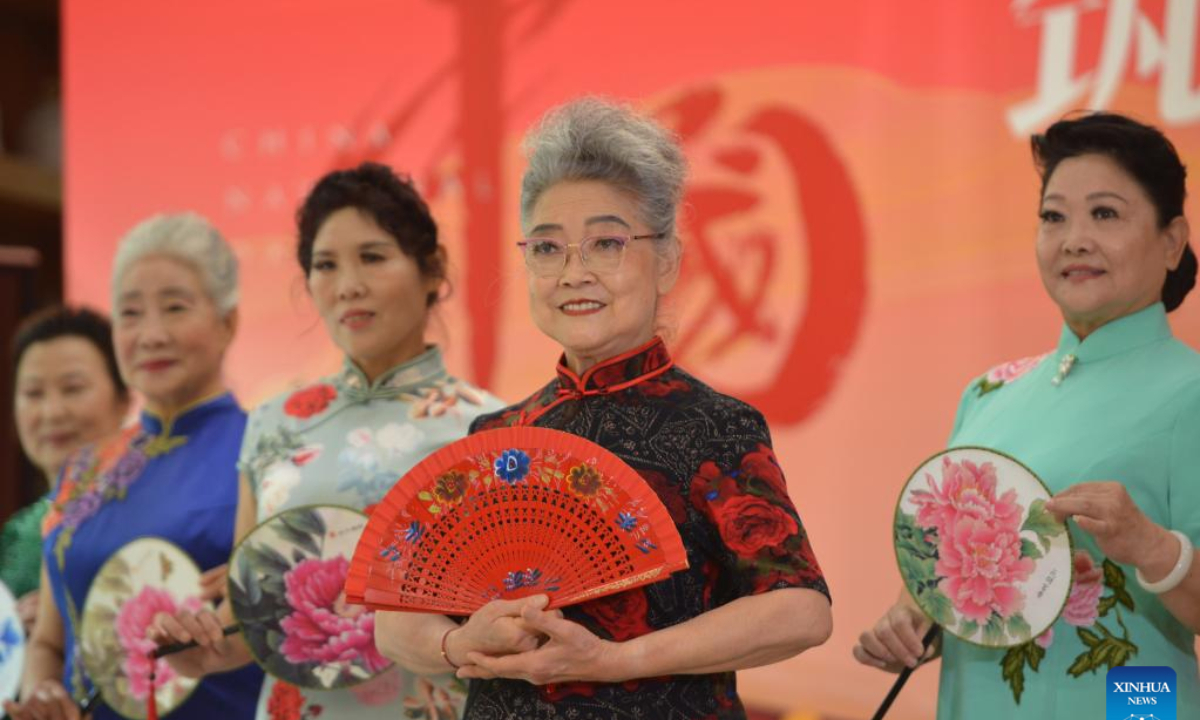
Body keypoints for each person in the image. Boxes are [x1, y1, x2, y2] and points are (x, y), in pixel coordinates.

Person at [375, 97, 833, 720]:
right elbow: (397, 616)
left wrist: (613, 661)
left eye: (606, 243)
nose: (573, 272)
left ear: (667, 261)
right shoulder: (498, 436)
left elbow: (800, 610)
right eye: (547, 247)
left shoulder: (714, 426)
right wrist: (458, 644)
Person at [853, 113, 1200, 717]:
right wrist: (915, 617)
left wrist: (1148, 545)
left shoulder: (1191, 391)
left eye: (1106, 214)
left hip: (1133, 705)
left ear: (1172, 240)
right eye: (1053, 216)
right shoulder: (990, 392)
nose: (1074, 239)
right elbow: (971, 588)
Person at [153, 162, 503, 719]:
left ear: (432, 270)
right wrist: (204, 652)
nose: (348, 286)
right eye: (325, 265)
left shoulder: (492, 428)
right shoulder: (273, 422)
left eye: (373, 256)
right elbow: (255, 619)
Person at [4, 213, 263, 720]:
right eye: (130, 313)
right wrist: (43, 695)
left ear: (226, 322)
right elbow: (50, 645)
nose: (150, 334)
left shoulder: (266, 448)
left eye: (174, 308)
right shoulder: (83, 468)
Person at [3, 307, 130, 633]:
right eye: (33, 393)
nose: (52, 412)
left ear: (123, 398)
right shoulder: (15, 535)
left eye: (73, 388)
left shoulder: (152, 514)